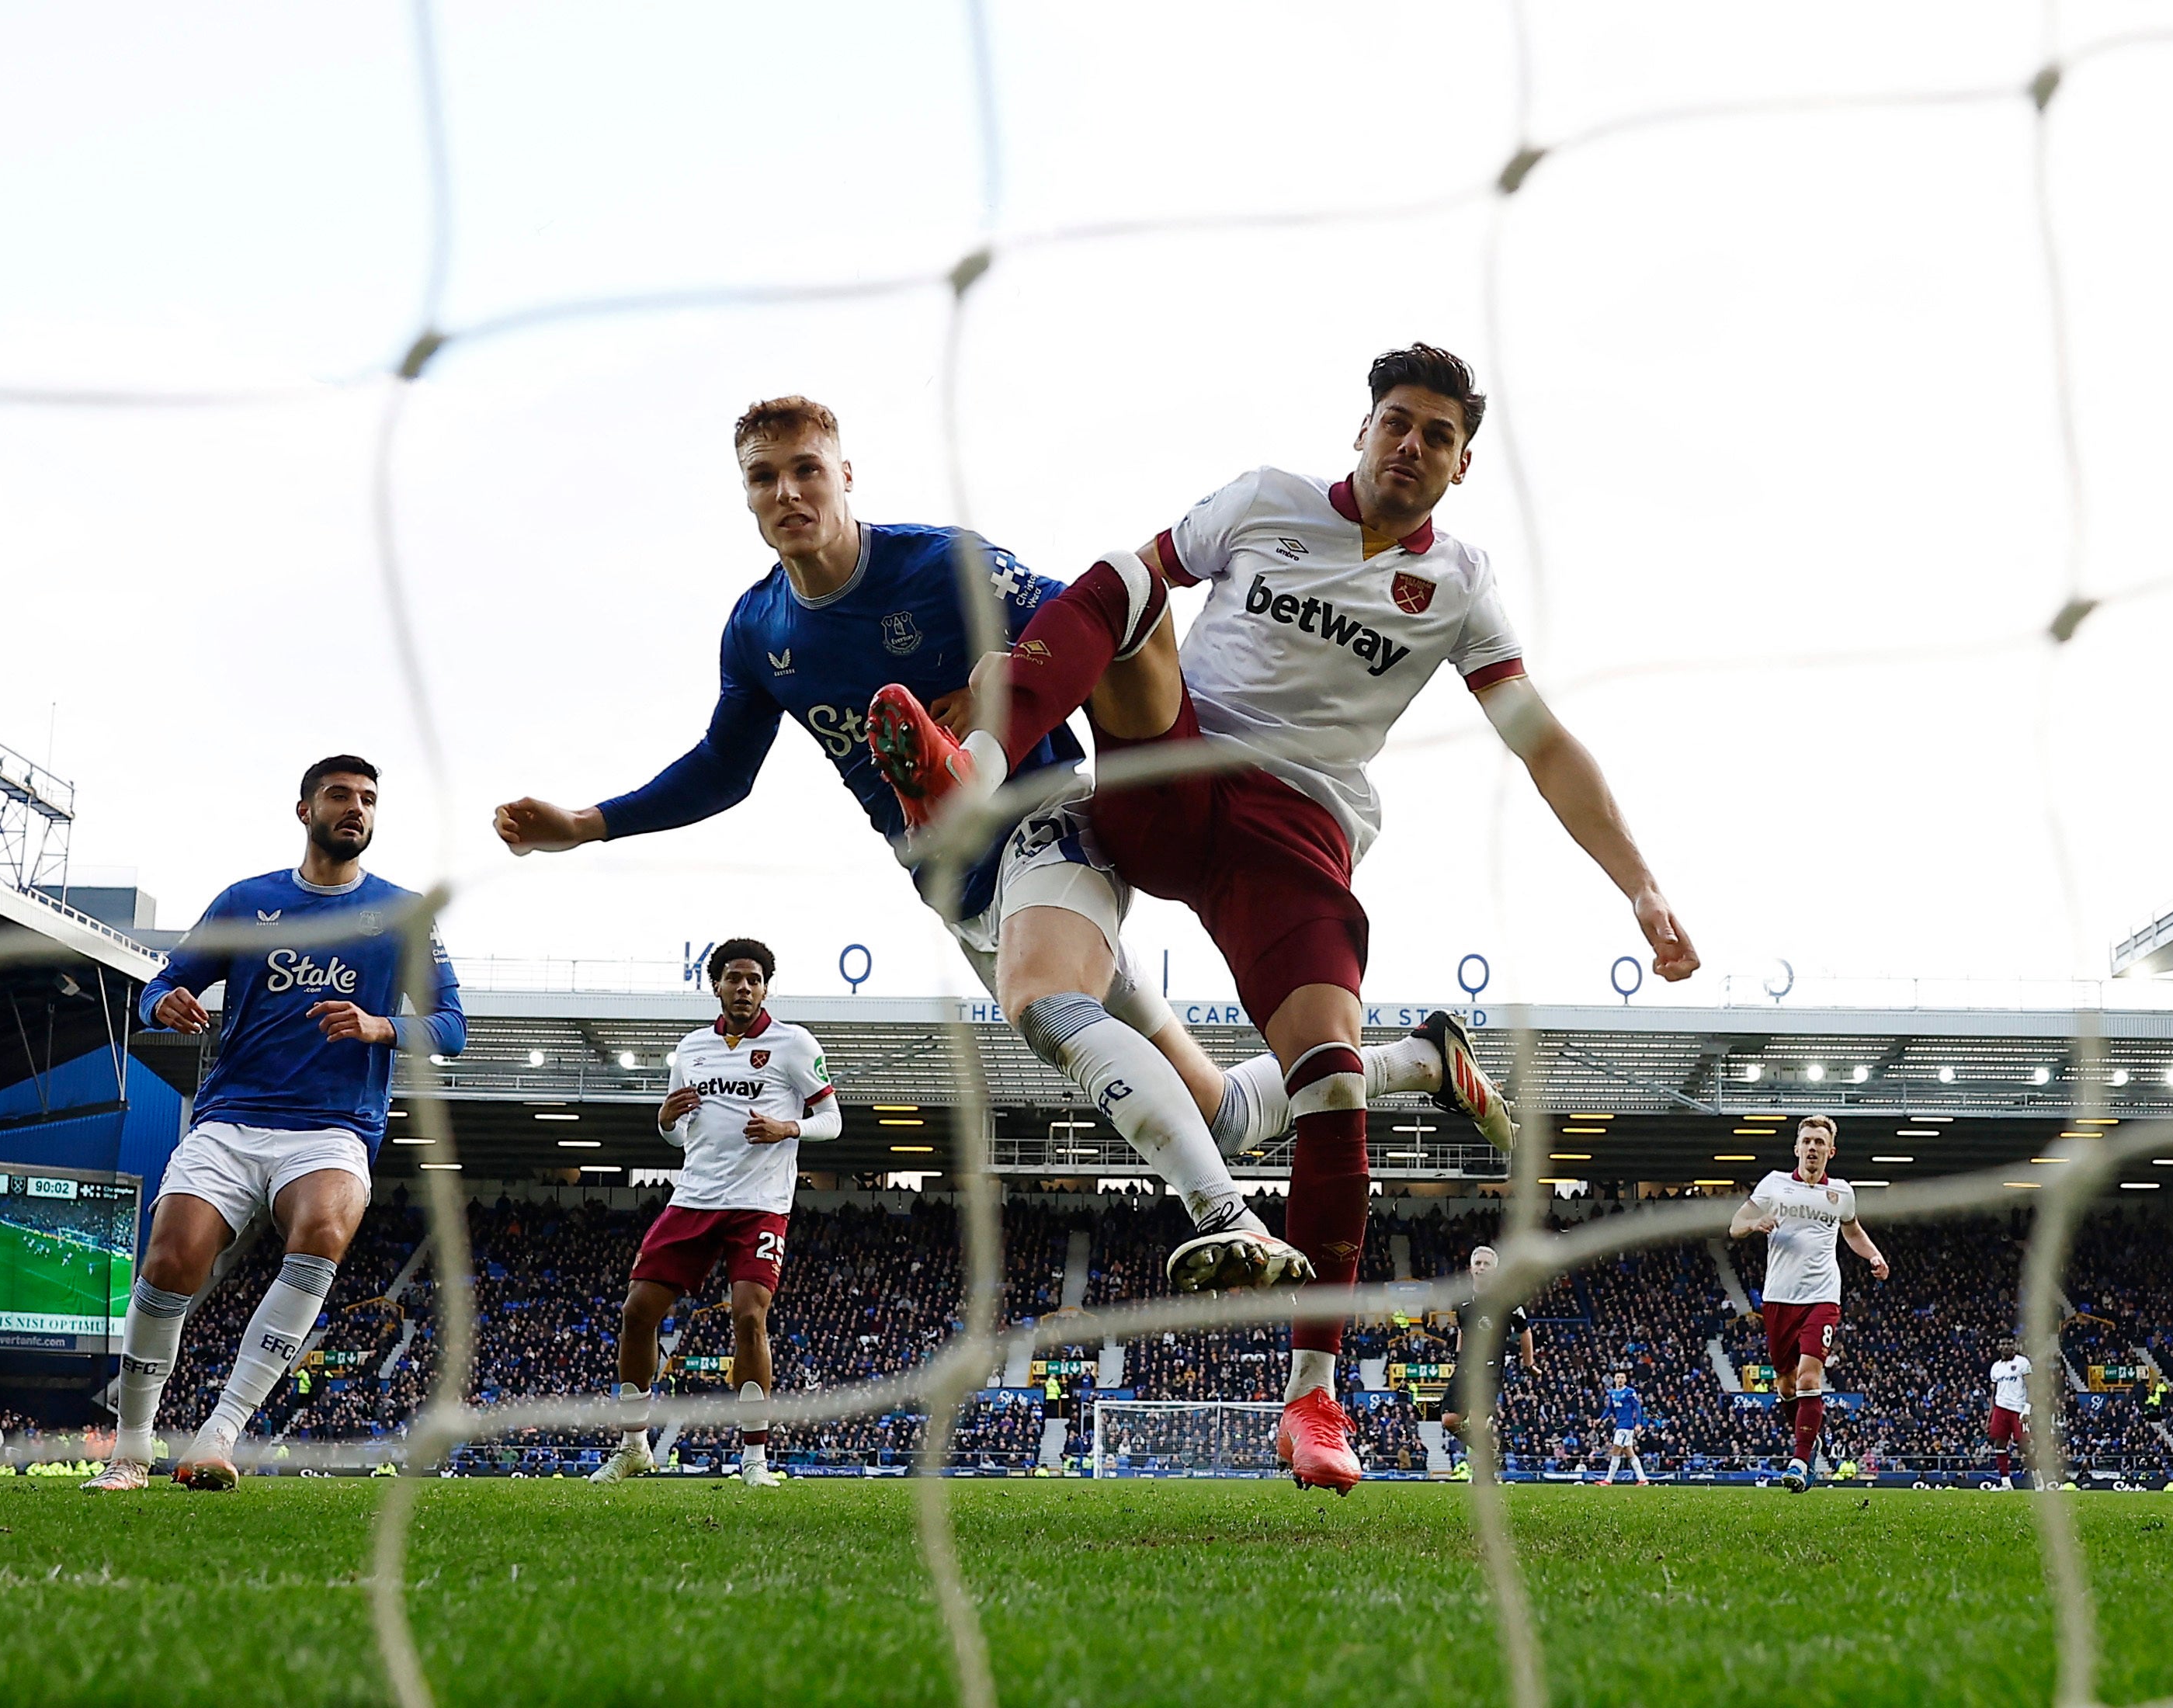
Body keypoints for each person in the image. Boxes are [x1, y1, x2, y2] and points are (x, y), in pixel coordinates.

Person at [870, 344, 1699, 1492]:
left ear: (1461, 466)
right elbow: (1114, 596)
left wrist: (1640, 885)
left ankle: (1311, 1398)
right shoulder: (1265, 502)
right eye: (1396, 422)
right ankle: (977, 770)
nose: (1412, 445)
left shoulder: (1457, 583)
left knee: (1326, 1086)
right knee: (1129, 577)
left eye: (1438, 437)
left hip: (1300, 828)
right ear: (1362, 429)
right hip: (1178, 768)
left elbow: (1543, 743)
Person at [491, 394, 1456, 1293]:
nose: (786, 492)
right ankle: (1416, 1059)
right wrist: (586, 823)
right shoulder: (758, 628)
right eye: (762, 477)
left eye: (805, 470)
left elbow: (1079, 618)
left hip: (1046, 823)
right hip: (959, 887)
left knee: (1043, 1002)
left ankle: (1227, 1218)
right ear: (744, 492)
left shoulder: (939, 565)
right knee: (1221, 1113)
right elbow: (724, 767)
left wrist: (996, 687)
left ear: (845, 476)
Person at [85, 757, 464, 1492]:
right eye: (340, 796)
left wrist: (381, 1025)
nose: (357, 809)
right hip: (232, 1121)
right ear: (304, 810)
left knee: (323, 1230)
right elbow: (163, 983)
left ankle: (218, 1436)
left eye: (369, 800)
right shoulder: (247, 900)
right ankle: (131, 1452)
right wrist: (156, 1005)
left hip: (332, 1127)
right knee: (170, 1263)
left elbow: (452, 1027)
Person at [593, 939, 838, 1488]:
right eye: (735, 978)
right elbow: (680, 1138)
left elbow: (833, 1120)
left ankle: (754, 1461)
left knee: (749, 1317)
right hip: (695, 1198)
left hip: (759, 1207)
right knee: (637, 1312)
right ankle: (634, 1446)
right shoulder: (693, 1048)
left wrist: (787, 1127)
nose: (744, 988)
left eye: (754, 979)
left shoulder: (792, 1044)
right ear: (717, 985)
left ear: (766, 987)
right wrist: (663, 1119)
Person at [1729, 1115, 1887, 1492]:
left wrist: (1874, 1256)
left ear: (1830, 1151)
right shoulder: (1774, 1184)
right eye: (1807, 1141)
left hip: (1822, 1296)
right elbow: (1735, 1225)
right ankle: (1808, 1441)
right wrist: (1755, 1223)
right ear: (1796, 1148)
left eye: (1820, 1142)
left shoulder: (1842, 1193)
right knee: (1785, 1386)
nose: (1813, 1147)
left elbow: (1852, 1231)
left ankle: (1800, 1461)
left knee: (1809, 1378)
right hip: (1779, 1298)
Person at [1439, 1244, 1536, 1482]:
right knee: (1450, 1420)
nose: (1482, 1268)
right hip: (1466, 1366)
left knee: (1477, 1418)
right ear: (1471, 1269)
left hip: (1490, 1367)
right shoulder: (1462, 1300)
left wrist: (1529, 1363)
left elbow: (1525, 1331)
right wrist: (1459, 1353)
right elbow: (1464, 1328)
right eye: (1478, 1264)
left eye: (1487, 1264)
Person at [1985, 1335, 2031, 1489]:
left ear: (2014, 1345)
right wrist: (1989, 1417)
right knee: (1999, 1443)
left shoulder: (2022, 1363)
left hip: (2018, 1409)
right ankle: (2005, 1482)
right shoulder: (1996, 1367)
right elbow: (1994, 1393)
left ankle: (2038, 1479)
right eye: (2002, 1343)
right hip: (2000, 1408)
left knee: (2024, 1445)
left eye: (2008, 1343)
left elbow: (2032, 1387)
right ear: (1998, 1347)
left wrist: (2027, 1409)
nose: (2005, 1347)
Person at [1596, 1365, 1647, 1487]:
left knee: (1615, 1450)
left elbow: (1638, 1408)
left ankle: (1608, 1480)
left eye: (1622, 1377)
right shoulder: (1613, 1393)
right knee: (1629, 1452)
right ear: (1614, 1379)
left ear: (1625, 1380)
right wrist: (1600, 1419)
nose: (1619, 1379)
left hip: (1626, 1426)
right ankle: (1643, 1479)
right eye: (1618, 1377)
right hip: (1620, 1425)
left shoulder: (1630, 1392)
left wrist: (1639, 1423)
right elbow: (1609, 1409)